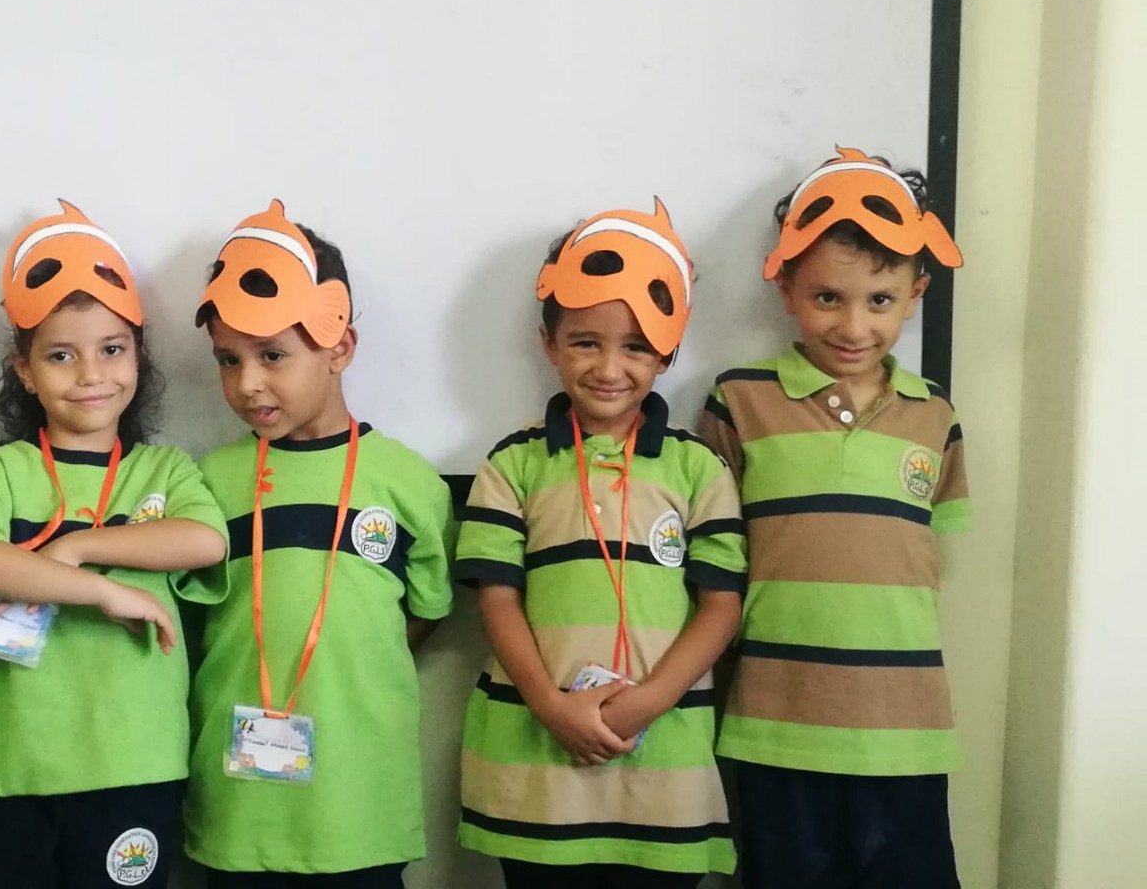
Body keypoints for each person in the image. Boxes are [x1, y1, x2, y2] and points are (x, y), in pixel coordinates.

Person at [698, 147, 970, 888]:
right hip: (774, 724)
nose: (853, 325)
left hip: (904, 731)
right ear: (786, 287)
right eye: (827, 297)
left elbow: (925, 555)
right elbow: (714, 561)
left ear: (915, 294)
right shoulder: (737, 401)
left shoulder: (935, 415)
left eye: (879, 300)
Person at [455, 200, 745, 888]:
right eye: (585, 342)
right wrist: (551, 707)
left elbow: (721, 606)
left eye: (635, 347)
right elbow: (496, 600)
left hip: (662, 773)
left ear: (668, 351)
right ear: (548, 342)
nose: (609, 367)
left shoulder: (698, 468)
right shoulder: (513, 464)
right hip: (537, 769)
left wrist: (648, 701)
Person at [0, 201, 228, 889]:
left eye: (112, 349)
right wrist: (101, 589)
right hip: (8, 768)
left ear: (138, 356)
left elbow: (205, 540)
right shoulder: (1, 470)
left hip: (133, 764)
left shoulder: (163, 471)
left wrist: (75, 548)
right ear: (24, 369)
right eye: (60, 355)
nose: (91, 374)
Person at [184, 200, 454, 887]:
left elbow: (425, 610)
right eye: (227, 359)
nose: (247, 383)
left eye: (272, 355)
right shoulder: (207, 483)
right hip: (237, 812)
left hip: (358, 809)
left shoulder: (408, 483)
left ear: (340, 348)